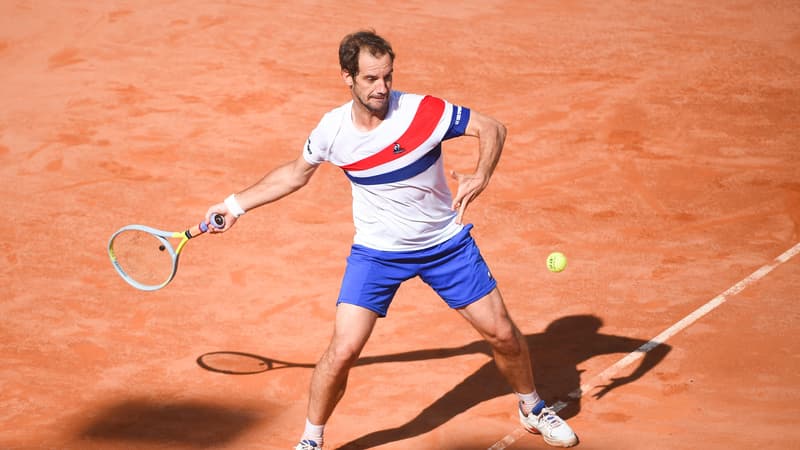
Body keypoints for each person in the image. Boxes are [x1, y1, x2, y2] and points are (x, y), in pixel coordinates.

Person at [205, 30, 578, 449]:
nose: (382, 88)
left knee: (503, 335)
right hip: (378, 255)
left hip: (445, 245)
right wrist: (233, 206)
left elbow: (492, 128)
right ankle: (311, 440)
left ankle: (532, 406)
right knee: (343, 351)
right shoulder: (332, 130)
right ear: (347, 77)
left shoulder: (423, 111)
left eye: (387, 77)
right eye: (370, 79)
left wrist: (482, 173)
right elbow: (294, 174)